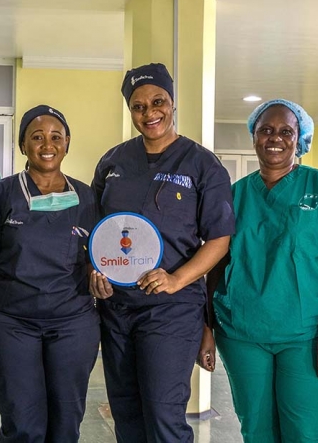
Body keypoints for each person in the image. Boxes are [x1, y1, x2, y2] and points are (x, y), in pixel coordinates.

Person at [89, 63, 235, 442]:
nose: (149, 112)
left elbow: (220, 238)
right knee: (125, 410)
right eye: (138, 106)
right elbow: (97, 232)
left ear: (172, 103)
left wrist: (176, 278)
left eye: (158, 102)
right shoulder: (113, 162)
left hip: (170, 309)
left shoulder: (202, 164)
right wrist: (97, 275)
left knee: (163, 413)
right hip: (117, 307)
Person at [206, 99, 318, 442]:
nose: (275, 138)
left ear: (299, 137)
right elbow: (215, 265)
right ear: (254, 137)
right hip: (243, 333)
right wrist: (208, 327)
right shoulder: (234, 196)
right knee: (256, 431)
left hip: (308, 334)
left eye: (286, 131)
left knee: (306, 432)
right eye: (266, 130)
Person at [0, 105, 100, 442]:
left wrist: (102, 280)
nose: (47, 144)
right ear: (22, 145)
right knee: (22, 424)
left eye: (56, 137)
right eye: (37, 137)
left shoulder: (87, 198)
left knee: (66, 422)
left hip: (72, 324)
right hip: (13, 325)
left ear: (67, 142)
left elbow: (97, 258)